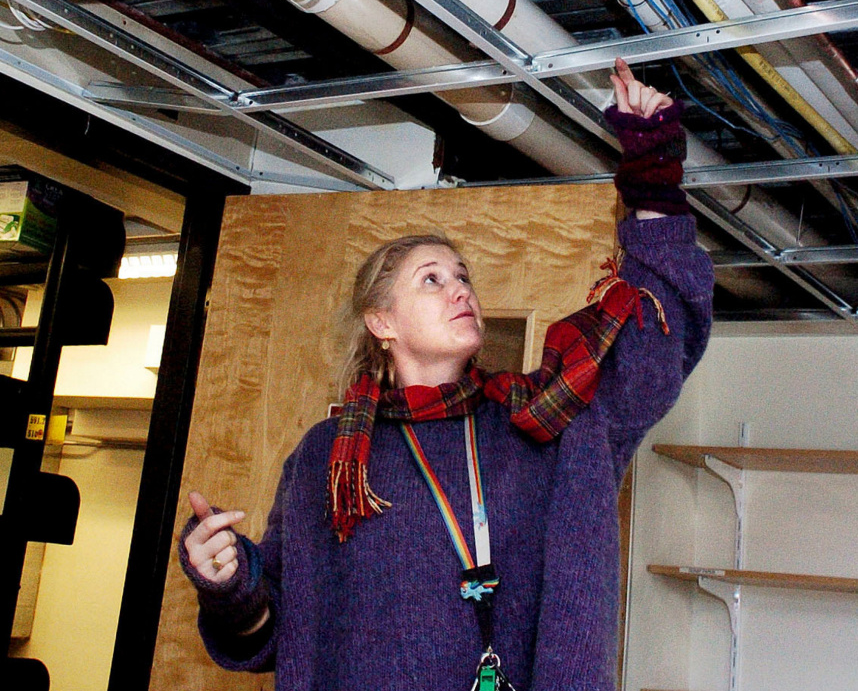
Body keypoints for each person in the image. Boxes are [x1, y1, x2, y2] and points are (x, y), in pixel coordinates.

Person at [179, 57, 714, 691]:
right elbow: (280, 631)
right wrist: (228, 585)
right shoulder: (328, 458)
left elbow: (652, 345)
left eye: (462, 277)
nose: (460, 288)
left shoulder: (540, 425)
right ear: (382, 322)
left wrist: (652, 175)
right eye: (431, 279)